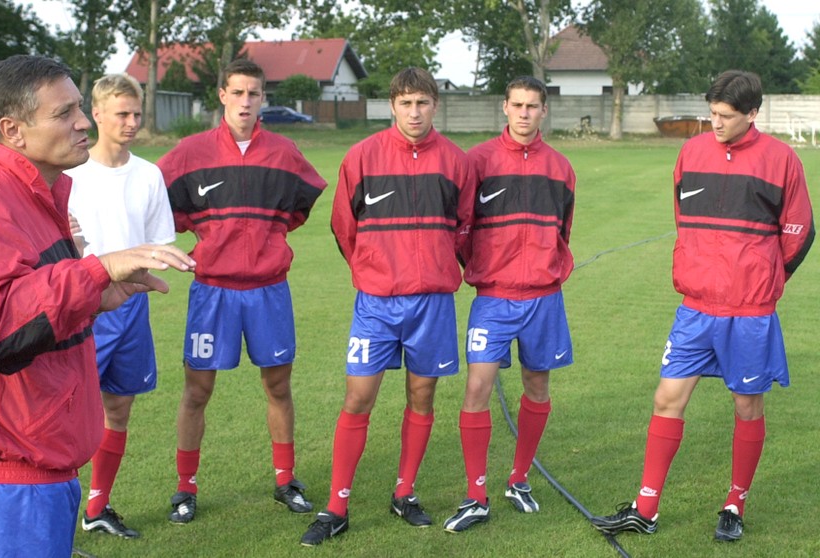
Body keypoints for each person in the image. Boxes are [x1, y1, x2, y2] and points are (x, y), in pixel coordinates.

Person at [0, 55, 195, 558]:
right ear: (13, 130)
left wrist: (93, 298)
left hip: (35, 465)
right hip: (8, 477)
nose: (84, 122)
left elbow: (32, 305)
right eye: (64, 113)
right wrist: (96, 270)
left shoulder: (32, 195)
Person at [591, 70, 814, 542]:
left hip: (750, 313)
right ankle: (645, 508)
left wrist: (763, 277)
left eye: (726, 117)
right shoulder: (691, 153)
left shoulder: (781, 160)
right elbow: (683, 217)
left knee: (746, 405)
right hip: (696, 309)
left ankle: (735, 503)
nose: (715, 123)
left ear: (752, 114)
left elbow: (799, 233)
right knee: (666, 398)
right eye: (711, 114)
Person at [300, 67, 473, 546]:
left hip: (433, 304)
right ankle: (336, 507)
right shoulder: (361, 157)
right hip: (376, 303)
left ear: (434, 105)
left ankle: (405, 493)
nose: (414, 112)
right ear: (391, 105)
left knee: (422, 397)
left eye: (422, 103)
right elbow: (343, 227)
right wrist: (374, 270)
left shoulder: (456, 162)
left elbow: (464, 227)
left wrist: (435, 268)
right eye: (405, 103)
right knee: (358, 398)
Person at [157, 59, 326, 524]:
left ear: (262, 98)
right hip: (213, 292)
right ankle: (184, 489)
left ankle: (285, 479)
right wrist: (209, 235)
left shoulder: (285, 151)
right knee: (197, 390)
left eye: (255, 93)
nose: (246, 101)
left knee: (278, 385)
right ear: (223, 95)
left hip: (269, 290)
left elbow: (299, 208)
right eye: (238, 92)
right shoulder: (191, 152)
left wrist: (266, 240)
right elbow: (159, 203)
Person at [443, 75, 576, 533]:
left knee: (537, 386)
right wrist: (484, 266)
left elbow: (563, 229)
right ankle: (475, 494)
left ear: (543, 111)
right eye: (517, 105)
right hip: (494, 299)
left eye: (532, 106)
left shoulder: (560, 167)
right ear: (504, 107)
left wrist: (543, 267)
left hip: (544, 299)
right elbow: (462, 227)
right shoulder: (476, 161)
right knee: (477, 388)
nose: (524, 113)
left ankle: (519, 479)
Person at [66, 73, 176, 539]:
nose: (131, 123)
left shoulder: (149, 174)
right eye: (122, 114)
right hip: (82, 307)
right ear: (97, 114)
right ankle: (60, 519)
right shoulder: (70, 175)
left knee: (119, 408)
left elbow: (159, 242)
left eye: (137, 114)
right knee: (68, 415)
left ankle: (98, 506)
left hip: (131, 307)